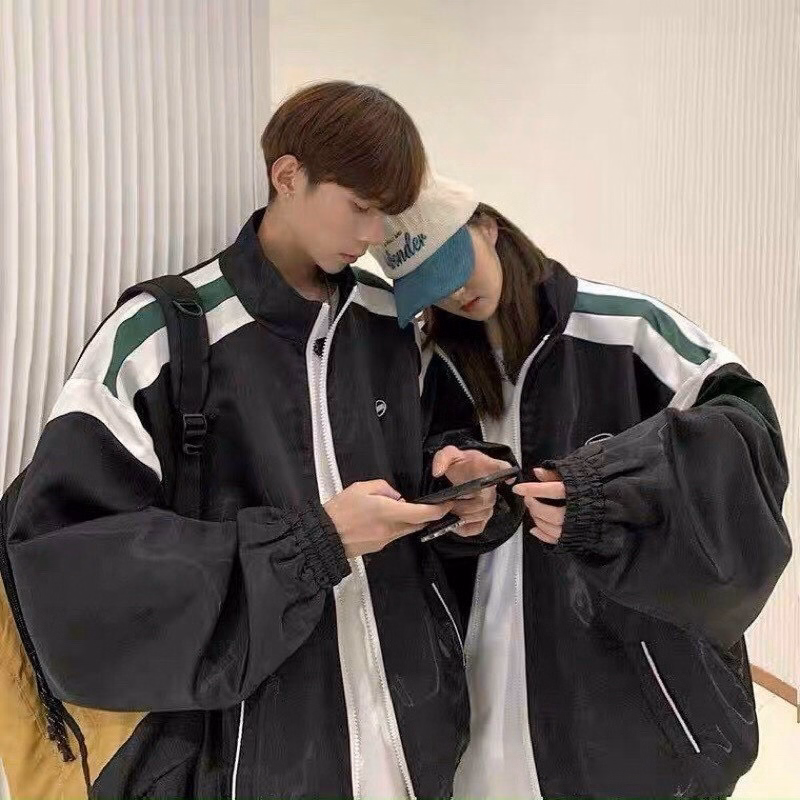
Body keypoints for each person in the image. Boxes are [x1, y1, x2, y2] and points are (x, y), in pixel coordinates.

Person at [5, 86, 519, 800]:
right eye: (359, 206)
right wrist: (314, 543)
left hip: (413, 749)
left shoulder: (389, 323)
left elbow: (437, 448)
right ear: (287, 176)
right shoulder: (163, 335)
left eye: (387, 212)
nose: (375, 234)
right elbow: (68, 558)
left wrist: (461, 483)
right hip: (247, 767)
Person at [370, 174, 792, 800]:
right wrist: (461, 486)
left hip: (630, 681)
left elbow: (746, 436)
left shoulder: (625, 328)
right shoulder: (435, 362)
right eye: (430, 286)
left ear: (488, 227)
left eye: (455, 265)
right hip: (488, 679)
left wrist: (604, 492)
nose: (454, 293)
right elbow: (419, 488)